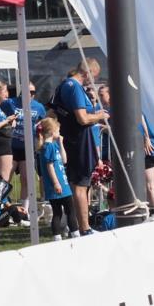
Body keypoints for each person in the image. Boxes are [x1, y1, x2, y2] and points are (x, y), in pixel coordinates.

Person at [50, 58, 108, 235]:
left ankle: (80, 227)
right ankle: (85, 228)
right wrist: (99, 115)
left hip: (71, 140)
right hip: (79, 141)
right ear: (87, 72)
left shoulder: (63, 86)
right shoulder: (74, 87)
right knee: (81, 186)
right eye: (93, 77)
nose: (92, 81)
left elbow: (52, 110)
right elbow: (82, 118)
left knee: (78, 185)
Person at [2, 81, 45, 221]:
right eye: (28, 92)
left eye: (33, 92)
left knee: (26, 179)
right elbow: (0, 111)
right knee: (5, 180)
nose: (31, 95)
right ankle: (6, 209)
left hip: (28, 148)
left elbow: (44, 122)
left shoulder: (38, 107)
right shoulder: (10, 103)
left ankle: (24, 211)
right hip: (11, 146)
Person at [37, 117, 79, 240]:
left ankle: (70, 234)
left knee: (67, 210)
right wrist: (56, 183)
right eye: (58, 130)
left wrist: (61, 143)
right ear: (52, 131)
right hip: (57, 185)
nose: (59, 132)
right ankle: (69, 234)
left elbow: (64, 160)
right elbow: (49, 166)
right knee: (63, 211)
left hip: (63, 183)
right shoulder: (47, 147)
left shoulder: (54, 145)